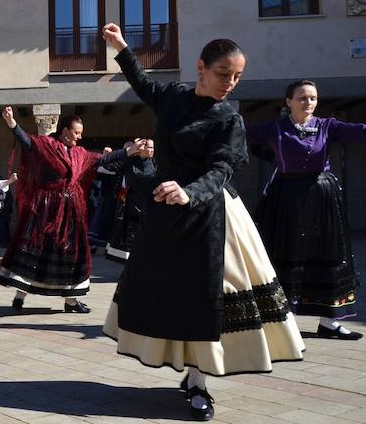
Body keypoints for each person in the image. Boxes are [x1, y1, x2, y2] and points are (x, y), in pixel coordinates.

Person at [100, 23, 305, 420]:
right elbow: (143, 83)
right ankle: (185, 371)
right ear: (201, 68)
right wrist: (122, 48)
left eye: (237, 76)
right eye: (223, 73)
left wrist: (190, 191)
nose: (230, 83)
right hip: (165, 215)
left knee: (208, 298)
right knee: (166, 293)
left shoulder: (229, 120)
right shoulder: (173, 97)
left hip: (211, 215)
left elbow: (223, 169)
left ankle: (198, 382)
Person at [0, 107, 149, 313]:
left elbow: (102, 160)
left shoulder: (80, 153)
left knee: (71, 253)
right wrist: (11, 123)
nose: (80, 136)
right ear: (65, 130)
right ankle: (20, 294)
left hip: (71, 211)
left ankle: (70, 301)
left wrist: (129, 152)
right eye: (77, 132)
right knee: (37, 249)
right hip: (46, 209)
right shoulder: (46, 145)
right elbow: (27, 141)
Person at [247, 79, 366, 340]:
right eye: (302, 98)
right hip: (287, 198)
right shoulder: (275, 128)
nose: (308, 102)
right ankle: (280, 320)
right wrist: (272, 157)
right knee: (284, 254)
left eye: (312, 98)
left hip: (322, 198)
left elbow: (360, 131)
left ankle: (329, 323)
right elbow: (242, 136)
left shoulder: (327, 126)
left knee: (330, 254)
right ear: (288, 102)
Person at [105, 141, 156, 264]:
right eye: (150, 147)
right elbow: (110, 166)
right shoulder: (130, 161)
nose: (152, 150)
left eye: (153, 147)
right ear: (142, 148)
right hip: (130, 205)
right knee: (128, 242)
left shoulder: (155, 163)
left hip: (148, 205)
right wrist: (108, 155)